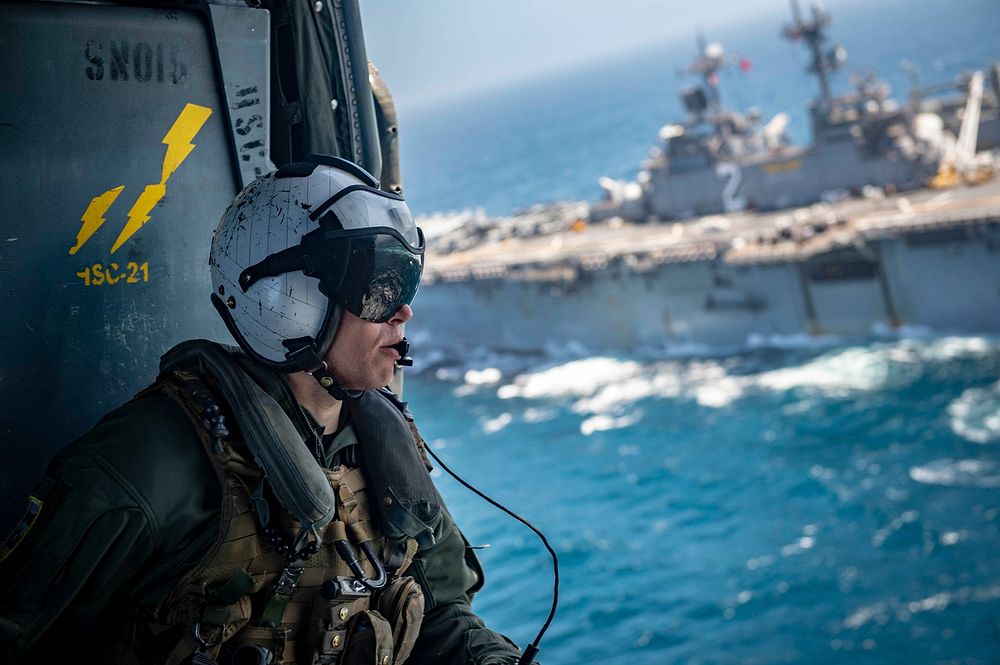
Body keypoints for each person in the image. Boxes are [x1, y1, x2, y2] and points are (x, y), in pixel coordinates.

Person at [0, 157, 529, 665]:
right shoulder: (146, 461)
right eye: (377, 288)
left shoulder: (382, 445)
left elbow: (441, 618)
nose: (402, 310)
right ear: (288, 299)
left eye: (404, 282)